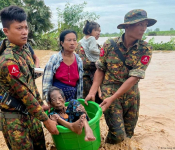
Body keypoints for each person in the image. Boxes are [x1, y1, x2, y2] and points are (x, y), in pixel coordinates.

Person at [0, 6, 58, 150]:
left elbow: (31, 84)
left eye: (26, 27)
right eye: (19, 28)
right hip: (15, 120)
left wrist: (41, 104)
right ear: (6, 31)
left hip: (32, 114)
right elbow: (25, 93)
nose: (25, 32)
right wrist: (46, 120)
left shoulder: (25, 50)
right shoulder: (8, 61)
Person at [85, 9, 157, 144]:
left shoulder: (145, 49)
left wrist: (114, 97)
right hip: (109, 92)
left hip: (132, 95)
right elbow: (100, 69)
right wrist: (92, 91)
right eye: (140, 25)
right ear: (128, 26)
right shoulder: (109, 45)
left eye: (145, 25)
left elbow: (134, 77)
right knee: (118, 134)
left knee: (128, 134)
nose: (143, 29)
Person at [42, 30, 83, 103]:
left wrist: (79, 101)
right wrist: (49, 101)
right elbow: (46, 82)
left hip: (73, 98)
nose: (72, 43)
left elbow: (80, 84)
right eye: (69, 40)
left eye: (74, 40)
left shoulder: (79, 60)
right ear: (62, 43)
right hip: (56, 99)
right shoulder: (55, 59)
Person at [76, 20, 102, 104]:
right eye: (96, 30)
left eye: (99, 31)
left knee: (98, 102)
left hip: (97, 77)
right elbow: (83, 63)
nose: (98, 33)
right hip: (87, 79)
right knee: (89, 102)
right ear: (89, 31)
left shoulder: (94, 43)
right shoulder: (80, 45)